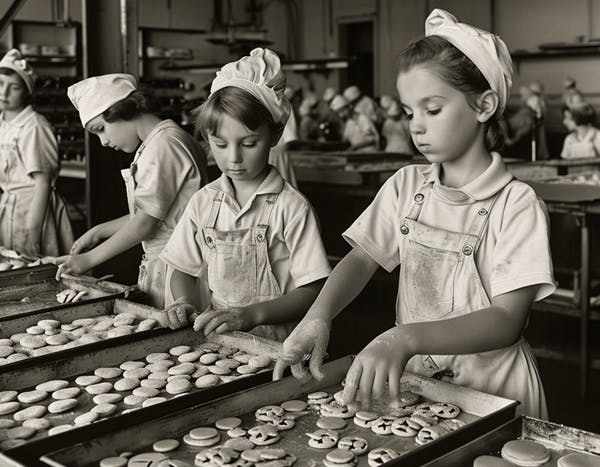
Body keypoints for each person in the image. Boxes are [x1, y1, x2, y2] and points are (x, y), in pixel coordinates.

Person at [274, 9, 555, 419]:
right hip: (421, 389)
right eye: (409, 113)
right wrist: (319, 315)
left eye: (433, 109)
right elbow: (361, 258)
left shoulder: (516, 204)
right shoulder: (407, 186)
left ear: (484, 105)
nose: (416, 127)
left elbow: (505, 319)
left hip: (495, 394)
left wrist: (404, 338)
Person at [160, 48, 331, 341]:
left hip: (280, 342)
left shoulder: (291, 208)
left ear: (274, 135)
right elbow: (183, 268)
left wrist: (251, 315)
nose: (234, 158)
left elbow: (313, 289)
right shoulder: (204, 203)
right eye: (220, 145)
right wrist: (183, 301)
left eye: (249, 143)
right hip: (221, 337)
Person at [55, 73, 208, 308]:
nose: (103, 141)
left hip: (178, 267)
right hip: (168, 262)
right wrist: (98, 231)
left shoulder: (164, 145)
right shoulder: (157, 142)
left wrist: (88, 259)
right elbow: (156, 214)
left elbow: (145, 223)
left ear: (122, 110)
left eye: (101, 129)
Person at [0, 49, 73, 256]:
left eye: (13, 87)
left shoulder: (34, 127)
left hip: (34, 210)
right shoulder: (2, 124)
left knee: (37, 266)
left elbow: (43, 184)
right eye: (0, 84)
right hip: (9, 209)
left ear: (27, 92)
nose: (3, 93)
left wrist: (33, 233)